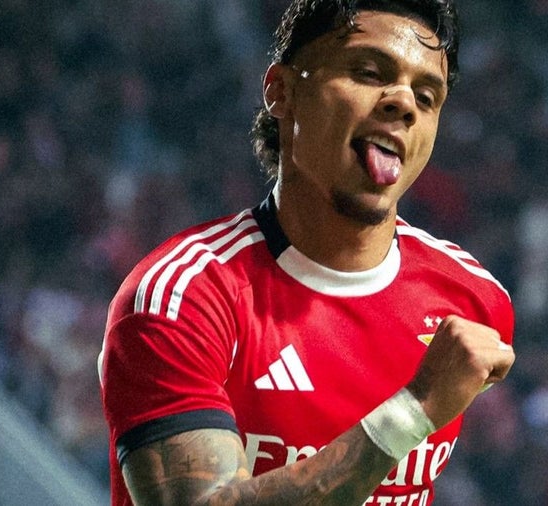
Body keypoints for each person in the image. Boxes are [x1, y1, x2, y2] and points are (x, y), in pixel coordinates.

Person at [98, 1, 516, 504]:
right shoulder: (182, 299)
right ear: (282, 91)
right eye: (368, 72)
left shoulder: (472, 301)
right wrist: (412, 412)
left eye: (427, 97)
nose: (404, 103)